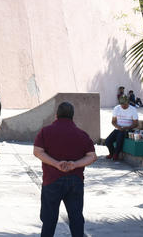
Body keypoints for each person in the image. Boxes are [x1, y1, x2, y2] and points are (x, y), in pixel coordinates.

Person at [33, 101, 98, 237]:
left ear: (56, 115)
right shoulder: (82, 134)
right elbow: (92, 156)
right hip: (75, 181)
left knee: (49, 220)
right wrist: (75, 164)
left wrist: (56, 164)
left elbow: (38, 152)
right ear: (72, 116)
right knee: (76, 219)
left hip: (51, 180)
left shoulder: (46, 131)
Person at [103, 95, 138, 161]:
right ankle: (112, 153)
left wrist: (126, 127)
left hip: (128, 129)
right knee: (107, 141)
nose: (123, 106)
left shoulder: (133, 109)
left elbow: (136, 124)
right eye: (122, 104)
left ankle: (116, 154)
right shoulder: (116, 108)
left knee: (120, 137)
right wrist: (118, 127)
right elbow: (113, 122)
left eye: (125, 104)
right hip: (118, 128)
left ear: (128, 102)